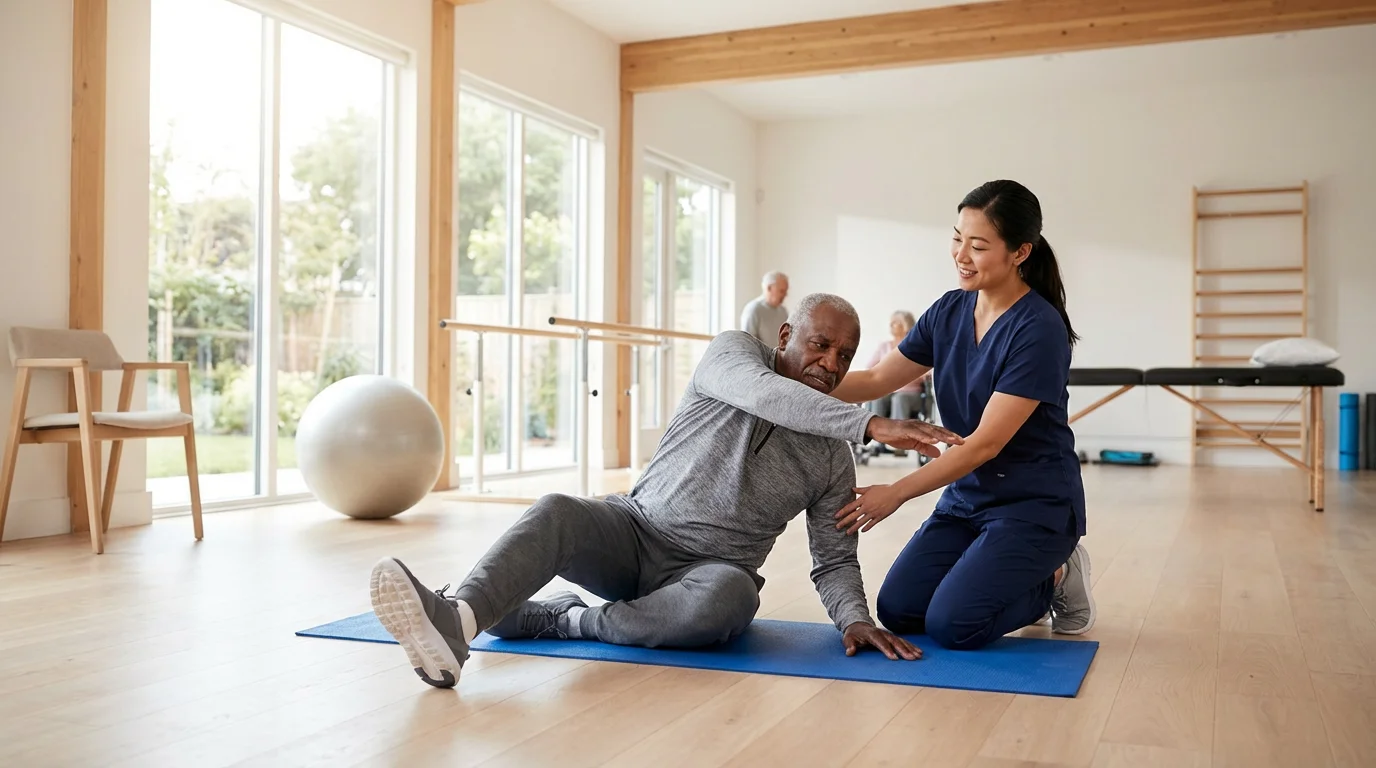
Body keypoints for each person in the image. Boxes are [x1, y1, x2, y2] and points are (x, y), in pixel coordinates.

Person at [369, 293, 963, 689]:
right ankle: (459, 620)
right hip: (633, 531)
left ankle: (568, 622)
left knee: (732, 597)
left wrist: (853, 618)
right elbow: (767, 396)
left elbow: (832, 555)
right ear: (785, 334)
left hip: (705, 576)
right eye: (819, 345)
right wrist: (871, 421)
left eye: (844, 356)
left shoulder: (831, 454)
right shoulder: (732, 354)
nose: (830, 364)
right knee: (557, 510)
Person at [828, 179, 1095, 652]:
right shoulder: (948, 311)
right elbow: (872, 382)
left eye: (978, 245)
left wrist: (896, 492)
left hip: (1033, 506)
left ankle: (1056, 574)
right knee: (900, 611)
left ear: (1020, 252)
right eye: (957, 238)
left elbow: (986, 444)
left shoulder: (1039, 328)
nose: (960, 255)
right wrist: (786, 375)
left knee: (955, 625)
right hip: (968, 500)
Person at [859, 311, 932, 459]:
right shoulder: (884, 346)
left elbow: (928, 373)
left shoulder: (917, 346)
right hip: (888, 391)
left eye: (895, 323)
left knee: (899, 398)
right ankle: (879, 438)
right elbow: (870, 368)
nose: (891, 326)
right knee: (877, 398)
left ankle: (899, 439)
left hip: (912, 394)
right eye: (891, 323)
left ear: (906, 326)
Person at [739, 271, 790, 344]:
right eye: (782, 291)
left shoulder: (783, 311)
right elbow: (747, 342)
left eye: (786, 291)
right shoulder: (753, 309)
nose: (785, 295)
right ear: (769, 288)